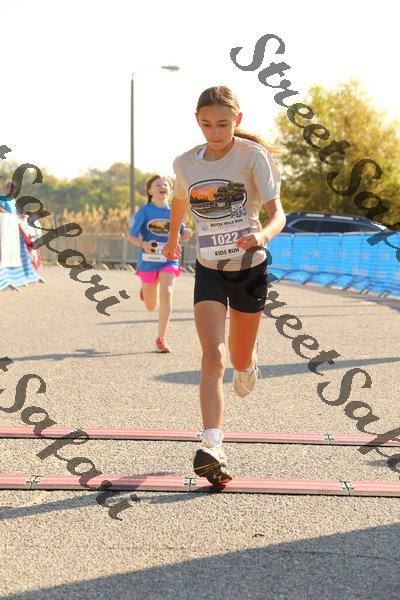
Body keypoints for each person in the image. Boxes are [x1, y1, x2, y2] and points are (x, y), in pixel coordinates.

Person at [163, 86, 286, 485]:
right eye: (206, 124)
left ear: (238, 120)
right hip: (209, 269)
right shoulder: (185, 162)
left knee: (238, 357)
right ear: (197, 122)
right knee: (212, 356)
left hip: (250, 269)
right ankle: (212, 445)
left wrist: (262, 235)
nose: (214, 132)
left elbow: (278, 214)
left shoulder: (253, 156)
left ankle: (247, 364)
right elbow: (180, 201)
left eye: (222, 124)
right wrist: (173, 237)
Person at [129, 174, 192, 353]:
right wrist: (144, 244)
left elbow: (180, 235)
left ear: (169, 190)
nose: (162, 187)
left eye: (165, 185)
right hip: (148, 260)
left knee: (167, 292)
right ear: (150, 191)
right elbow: (131, 236)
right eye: (157, 185)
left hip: (169, 258)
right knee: (150, 306)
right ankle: (146, 289)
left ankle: (161, 339)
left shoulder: (175, 211)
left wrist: (185, 236)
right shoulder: (145, 211)